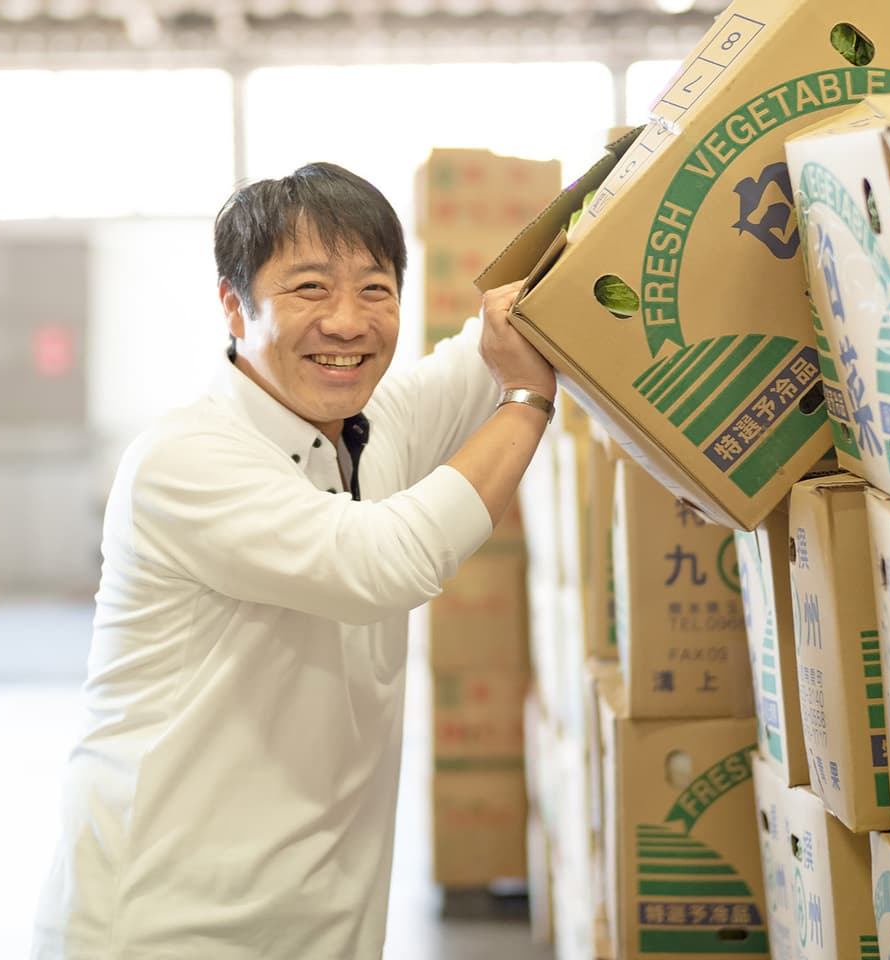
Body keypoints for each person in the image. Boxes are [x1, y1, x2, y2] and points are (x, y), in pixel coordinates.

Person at [32, 161, 555, 959]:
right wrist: (526, 402)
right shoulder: (187, 459)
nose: (347, 322)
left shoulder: (371, 427)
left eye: (375, 290)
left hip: (319, 928)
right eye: (310, 289)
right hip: (167, 929)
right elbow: (385, 562)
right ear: (233, 304)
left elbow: (495, 341)